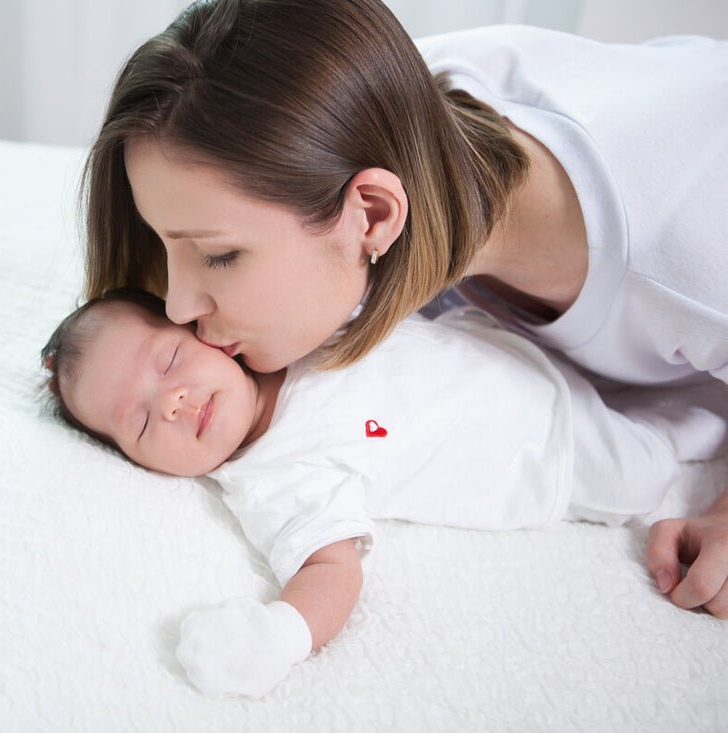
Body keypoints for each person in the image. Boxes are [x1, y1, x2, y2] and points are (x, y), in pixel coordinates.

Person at [79, 0, 728, 620]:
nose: (177, 305)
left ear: (373, 214)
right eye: (165, 244)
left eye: (219, 255)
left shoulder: (684, 263)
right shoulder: (342, 113)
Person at [41, 288, 726, 698]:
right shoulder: (274, 478)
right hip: (550, 452)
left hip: (509, 338)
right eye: (139, 423)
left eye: (168, 361)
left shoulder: (283, 336)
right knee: (659, 462)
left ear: (205, 334)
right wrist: (281, 633)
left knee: (674, 355)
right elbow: (330, 567)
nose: (172, 401)